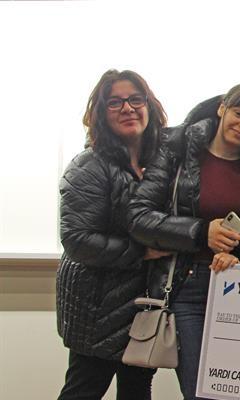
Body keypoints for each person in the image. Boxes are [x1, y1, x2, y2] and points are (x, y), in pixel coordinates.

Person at [128, 83, 240, 400]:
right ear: (222, 107)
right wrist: (201, 232)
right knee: (201, 392)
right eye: (239, 113)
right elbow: (138, 217)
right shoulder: (174, 151)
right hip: (187, 289)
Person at [56, 69, 169, 399]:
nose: (128, 108)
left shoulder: (162, 164)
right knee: (84, 390)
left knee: (136, 391)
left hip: (144, 304)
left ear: (150, 106)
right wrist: (141, 252)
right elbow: (77, 240)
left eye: (136, 99)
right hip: (97, 309)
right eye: (115, 102)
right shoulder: (87, 166)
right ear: (100, 114)